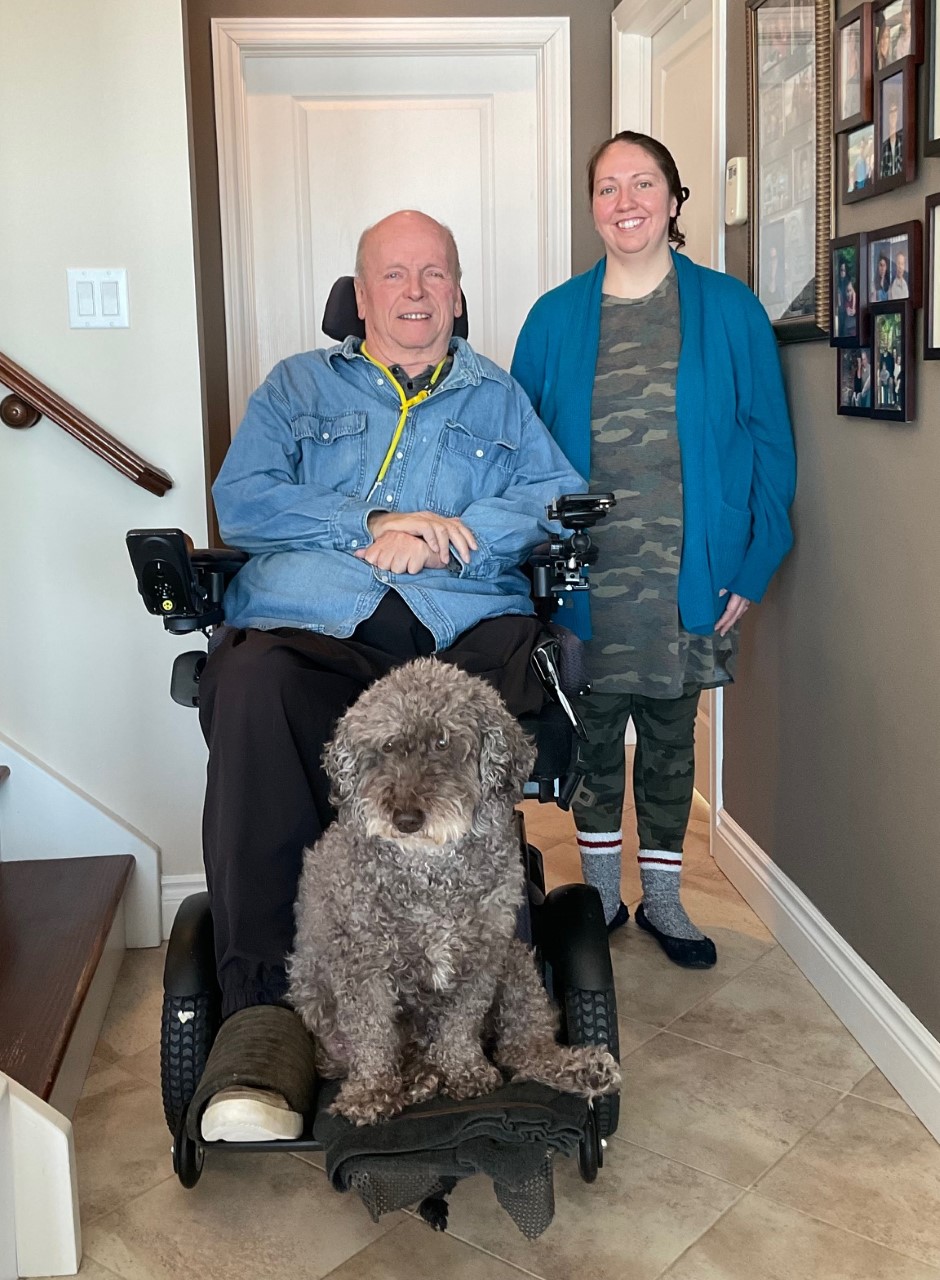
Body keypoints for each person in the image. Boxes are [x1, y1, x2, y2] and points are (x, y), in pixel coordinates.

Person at [194, 209, 584, 1142]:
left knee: (493, 714)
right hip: (319, 630)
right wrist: (375, 522)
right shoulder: (295, 387)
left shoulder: (498, 398)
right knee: (250, 688)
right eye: (394, 277)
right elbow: (242, 498)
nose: (416, 293)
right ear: (360, 296)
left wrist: (467, 533)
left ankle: (491, 1020)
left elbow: (555, 493)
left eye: (434, 275)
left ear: (457, 291)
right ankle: (266, 1016)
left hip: (458, 632)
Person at [511, 131, 795, 969]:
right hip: (583, 577)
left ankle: (666, 902)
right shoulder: (554, 317)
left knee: (671, 736)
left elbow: (771, 446)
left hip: (691, 571)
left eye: (644, 184)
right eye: (608, 187)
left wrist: (753, 562)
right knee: (594, 733)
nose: (625, 201)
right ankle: (600, 896)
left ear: (674, 203)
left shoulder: (729, 308)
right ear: (593, 206)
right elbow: (517, 447)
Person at [881, 97, 904, 178]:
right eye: (891, 111)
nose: (893, 115)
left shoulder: (903, 142)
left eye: (895, 111)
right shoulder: (883, 147)